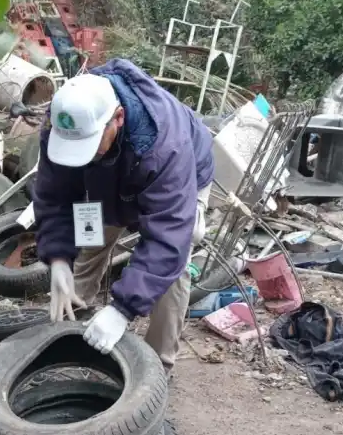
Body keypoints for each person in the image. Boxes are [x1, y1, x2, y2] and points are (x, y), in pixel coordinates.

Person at [32, 58, 214, 374]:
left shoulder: (165, 144)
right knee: (92, 238)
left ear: (118, 117)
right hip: (108, 176)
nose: (80, 152)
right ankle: (74, 322)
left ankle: (157, 367)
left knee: (174, 263)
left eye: (89, 144)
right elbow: (54, 194)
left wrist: (122, 309)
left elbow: (168, 234)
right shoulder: (65, 120)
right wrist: (59, 258)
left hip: (181, 176)